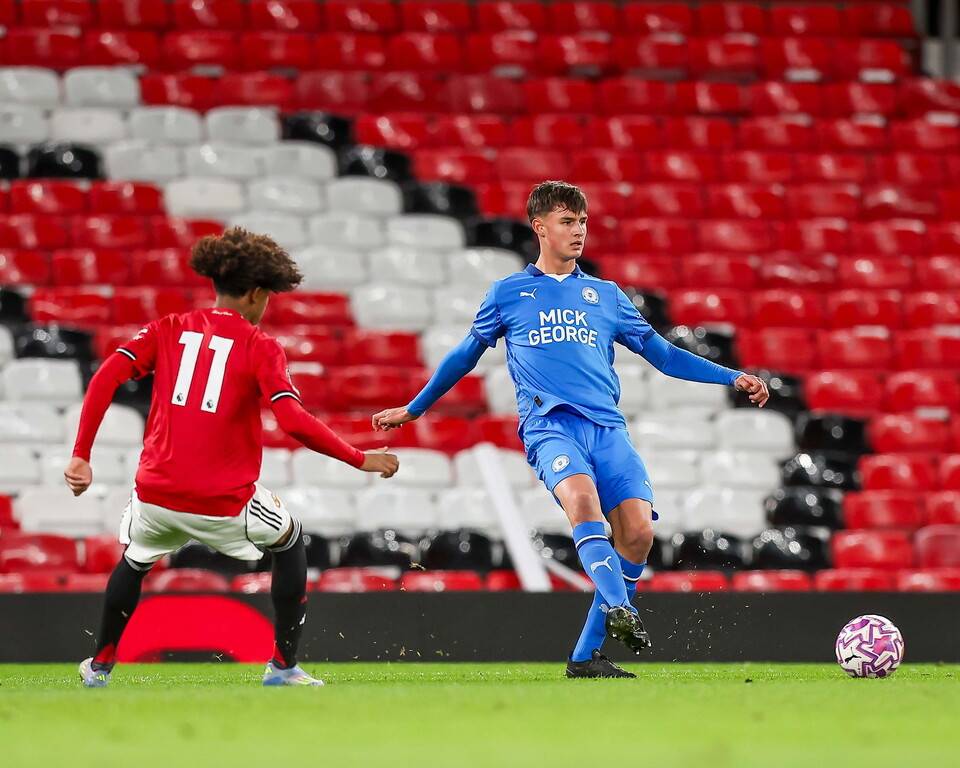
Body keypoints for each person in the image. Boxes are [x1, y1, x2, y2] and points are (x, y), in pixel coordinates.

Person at [372, 181, 768, 679]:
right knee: (583, 504)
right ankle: (621, 607)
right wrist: (415, 407)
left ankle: (585, 658)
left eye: (582, 221)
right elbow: (463, 356)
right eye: (566, 221)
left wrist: (731, 375)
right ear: (540, 228)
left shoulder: (605, 296)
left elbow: (663, 356)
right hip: (550, 426)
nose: (578, 230)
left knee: (639, 534)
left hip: (608, 429)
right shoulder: (509, 293)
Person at [66, 227, 399, 688]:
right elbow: (293, 421)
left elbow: (105, 378)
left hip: (156, 492)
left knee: (137, 557)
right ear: (258, 293)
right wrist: (359, 458)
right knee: (290, 540)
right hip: (223, 502)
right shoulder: (259, 346)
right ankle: (283, 667)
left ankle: (98, 667)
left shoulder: (168, 327)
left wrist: (81, 455)